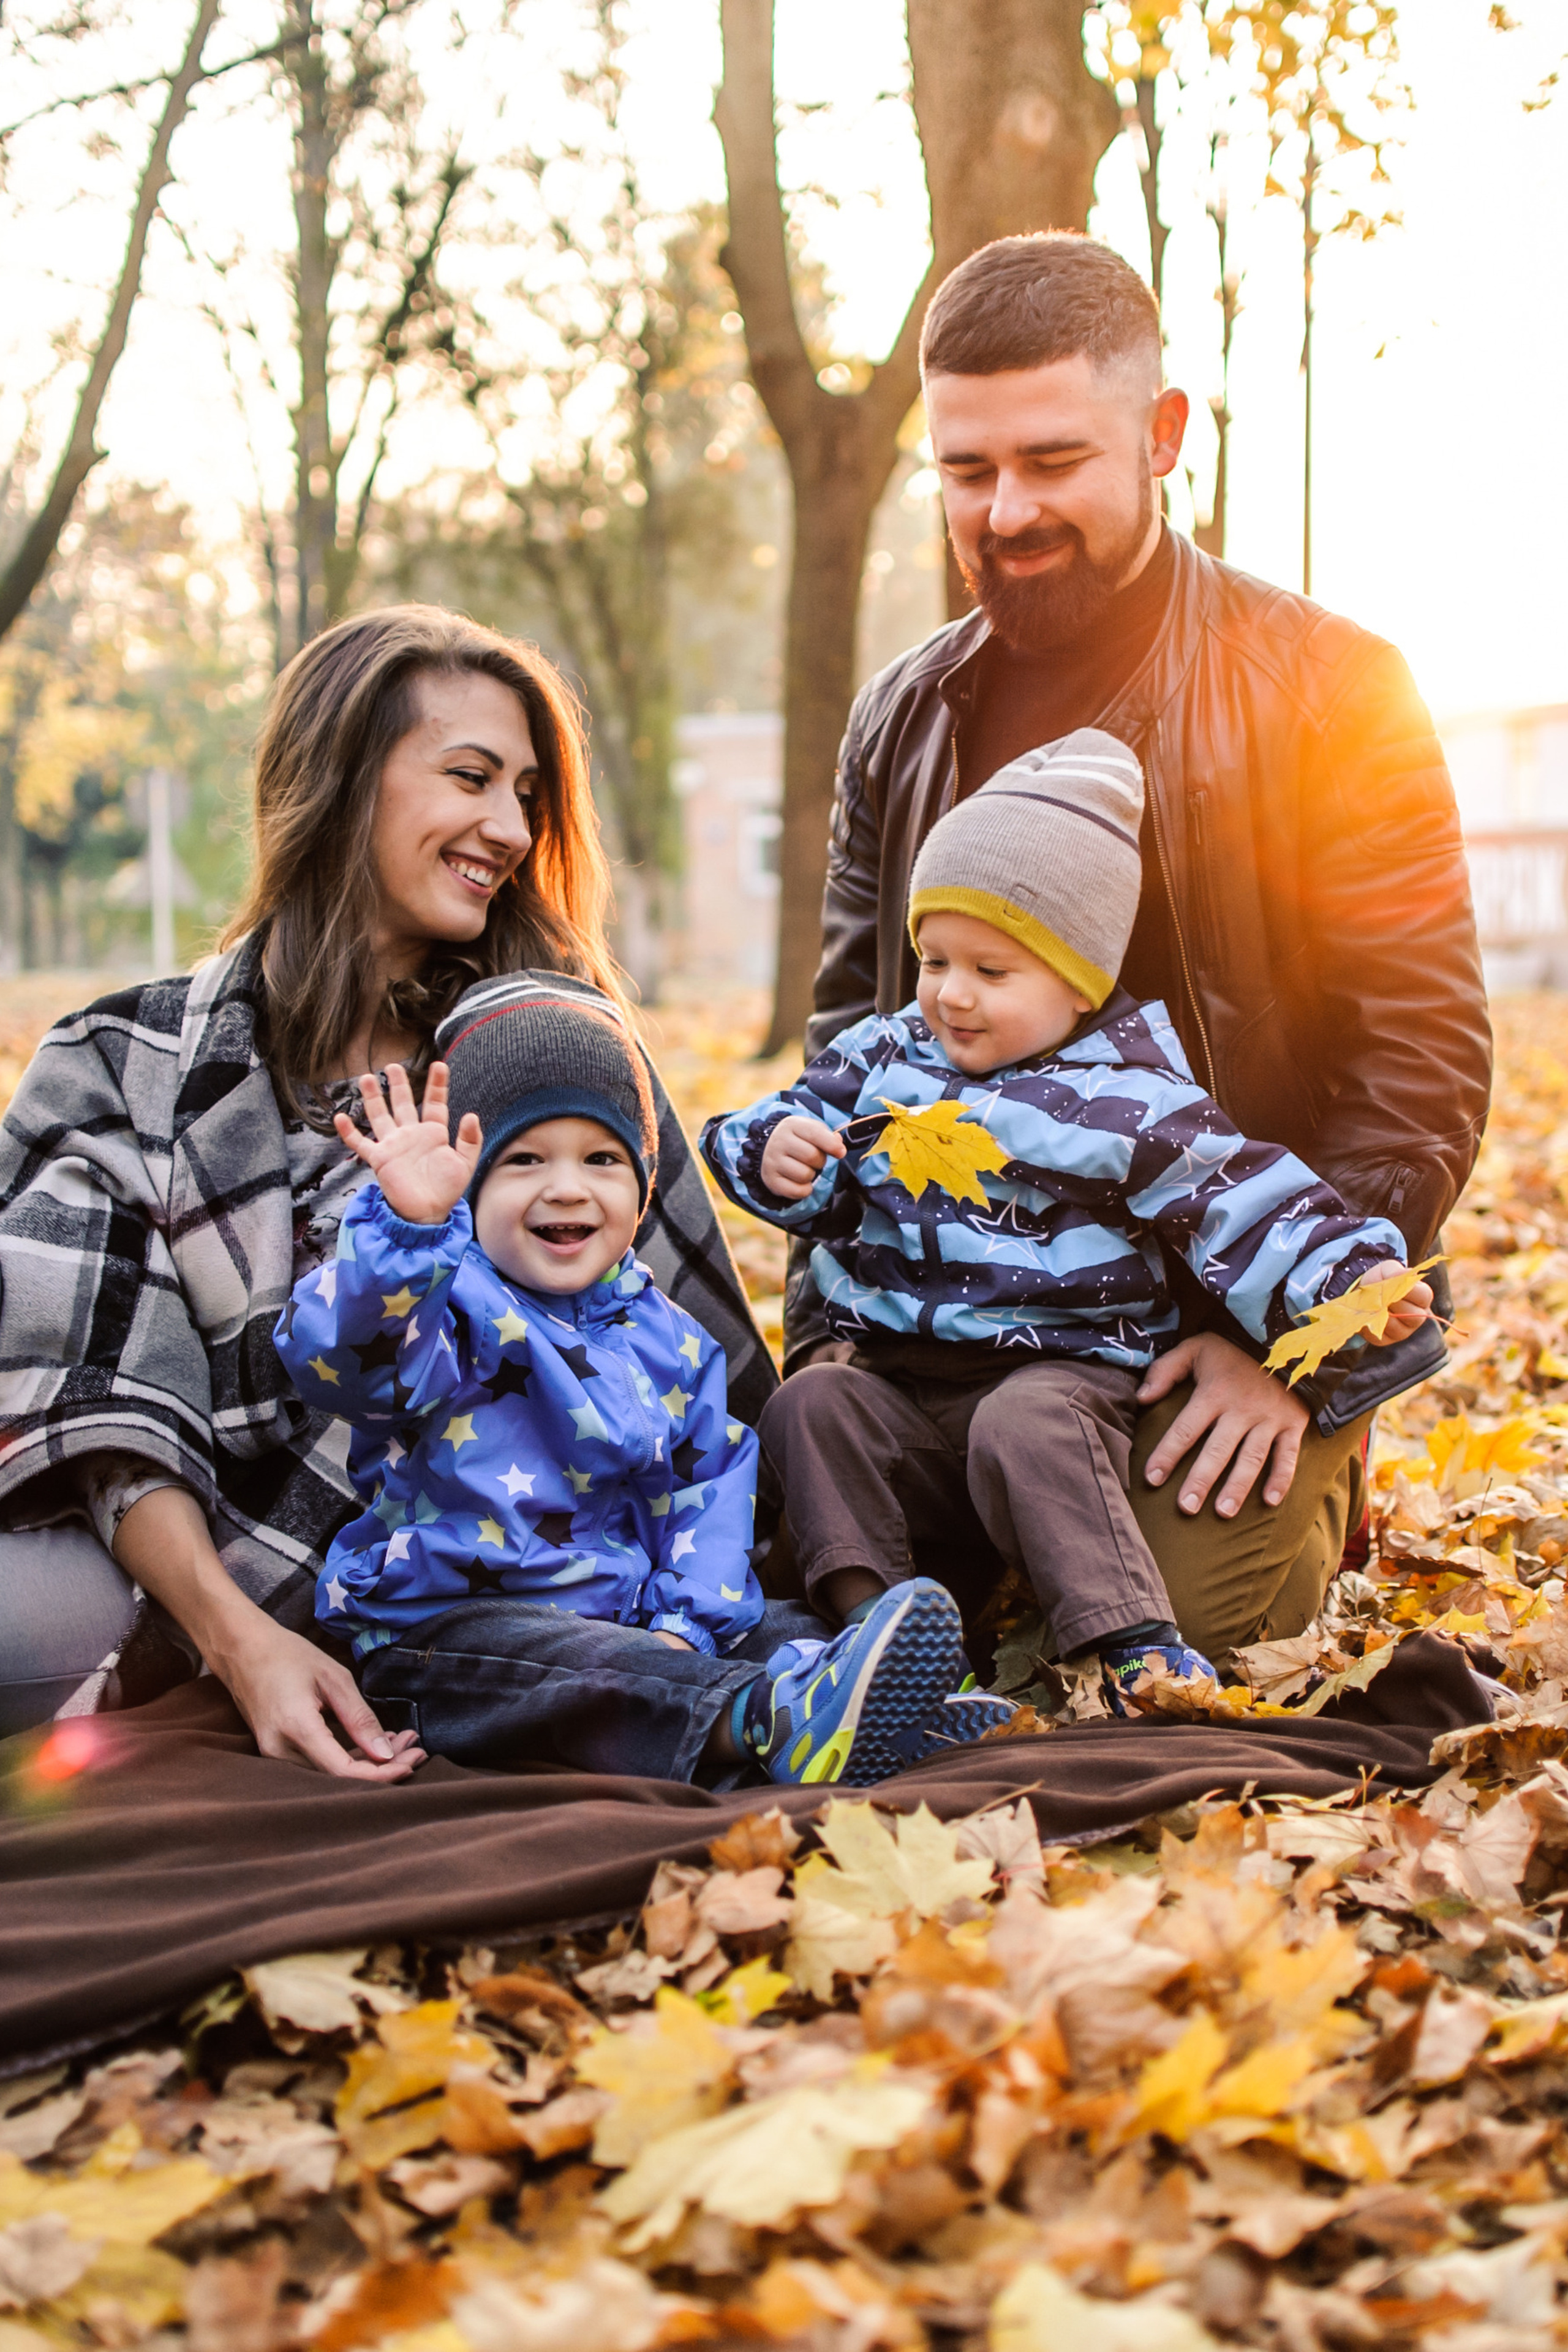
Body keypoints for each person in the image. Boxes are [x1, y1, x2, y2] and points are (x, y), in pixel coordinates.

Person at [793, 232, 1491, 1663]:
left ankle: (1294, 1484)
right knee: (768, 1544)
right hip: (948, 1323)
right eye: (966, 470)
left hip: (1207, 1330)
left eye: (1053, 461)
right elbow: (844, 1039)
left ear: (1162, 436)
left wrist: (1293, 1359)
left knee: (1180, 1620)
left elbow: (1419, 1063)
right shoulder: (899, 717)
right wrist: (835, 1346)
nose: (1003, 511)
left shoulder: (1329, 690)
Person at [0, 606, 775, 1764]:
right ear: (345, 782)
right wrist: (242, 1642)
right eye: (471, 777)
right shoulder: (124, 1062)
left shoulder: (555, 1060)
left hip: (517, 1594)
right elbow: (89, 1400)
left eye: (528, 794)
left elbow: (699, 1397)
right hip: (184, 1563)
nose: (511, 827)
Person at [707, 733, 1432, 1708]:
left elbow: (1245, 1201)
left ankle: (1131, 1638)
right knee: (812, 1407)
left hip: (1059, 1371)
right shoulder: (887, 1059)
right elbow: (772, 1127)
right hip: (897, 1372)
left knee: (1029, 1419)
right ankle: (874, 1641)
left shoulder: (1123, 1097)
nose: (950, 993)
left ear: (1080, 980)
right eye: (934, 958)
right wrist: (773, 1151)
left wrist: (1346, 1280)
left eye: (992, 972)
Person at [276, 971, 1000, 1785]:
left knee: (779, 1623)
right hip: (449, 1640)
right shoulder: (443, 1304)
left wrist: (686, 1627)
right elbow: (342, 1363)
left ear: (642, 1184)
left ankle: (883, 1709)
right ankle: (773, 1721)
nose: (567, 1186)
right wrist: (406, 1236)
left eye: (601, 1158)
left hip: (629, 1626)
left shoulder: (674, 1341)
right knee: (568, 1665)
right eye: (523, 1159)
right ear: (470, 1184)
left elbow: (707, 1495)